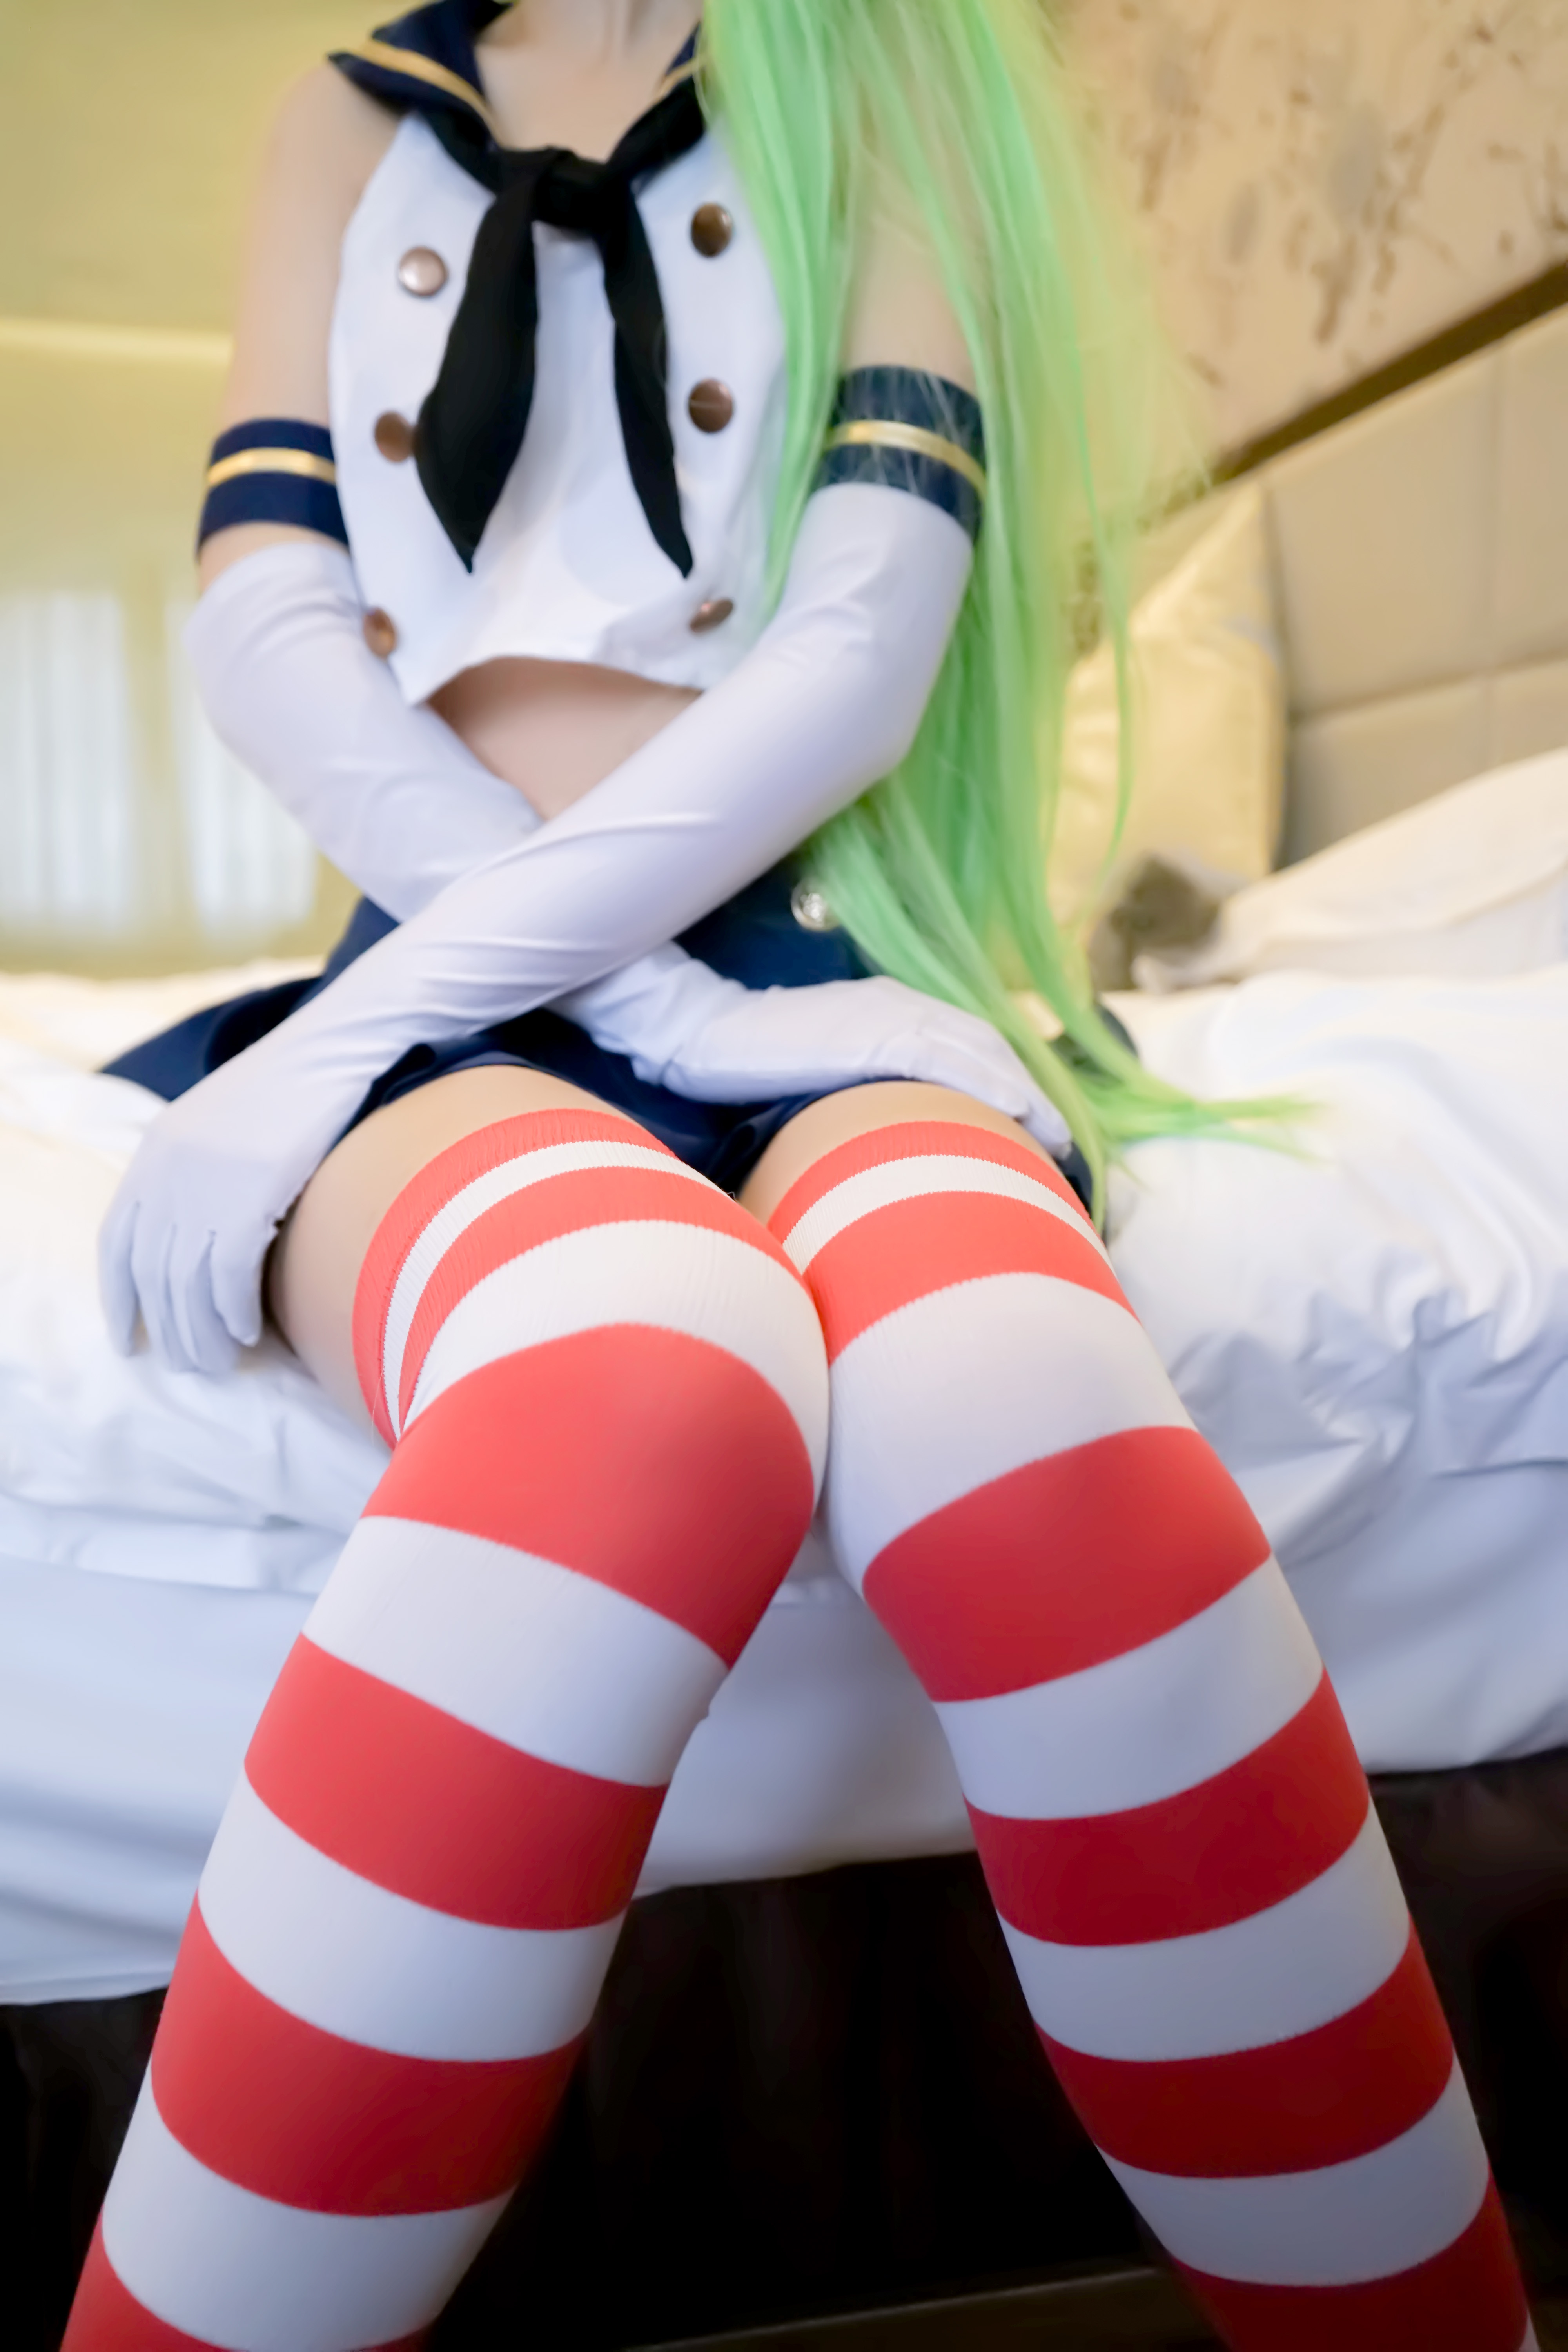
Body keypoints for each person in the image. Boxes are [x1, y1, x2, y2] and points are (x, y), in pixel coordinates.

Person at [65, 4, 1535, 2346]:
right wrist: (539, 1006)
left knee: (1018, 1412)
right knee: (625, 1389)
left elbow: (862, 640)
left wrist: (688, 1008)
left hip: (830, 961)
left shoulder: (884, 75)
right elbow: (266, 610)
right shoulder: (349, 109)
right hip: (441, 971)